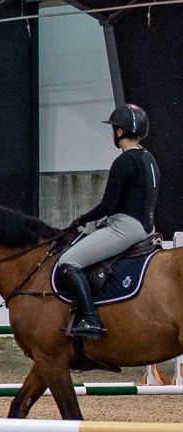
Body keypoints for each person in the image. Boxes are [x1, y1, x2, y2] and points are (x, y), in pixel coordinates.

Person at [57, 103, 159, 339]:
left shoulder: (124, 161)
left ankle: (91, 319)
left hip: (126, 227)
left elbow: (107, 206)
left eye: (114, 129)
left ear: (120, 132)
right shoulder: (149, 158)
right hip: (147, 227)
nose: (113, 133)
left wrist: (79, 220)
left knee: (69, 261)